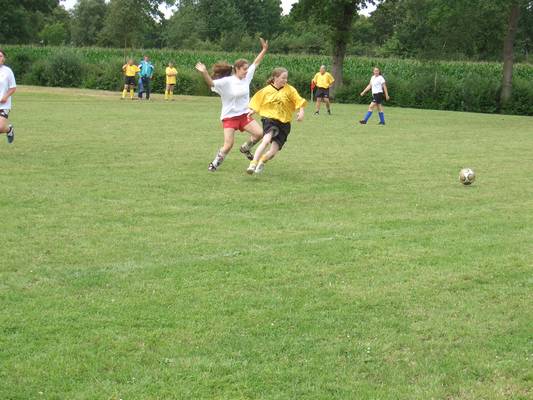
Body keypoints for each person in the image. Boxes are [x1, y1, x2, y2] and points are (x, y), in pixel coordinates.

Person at [195, 37, 268, 172]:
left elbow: (256, 63)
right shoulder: (227, 81)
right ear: (237, 69)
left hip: (244, 116)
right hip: (229, 117)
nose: (247, 71)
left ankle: (245, 148)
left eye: (247, 69)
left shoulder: (246, 78)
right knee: (228, 145)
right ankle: (215, 163)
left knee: (259, 133)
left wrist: (264, 50)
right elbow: (211, 83)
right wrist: (204, 72)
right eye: (244, 69)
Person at [246, 67, 307, 175]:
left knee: (273, 152)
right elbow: (257, 102)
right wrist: (253, 110)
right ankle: (253, 163)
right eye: (283, 78)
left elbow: (299, 101)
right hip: (270, 119)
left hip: (284, 123)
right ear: (275, 77)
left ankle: (262, 160)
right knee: (266, 140)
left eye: (286, 78)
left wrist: (301, 112)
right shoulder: (266, 91)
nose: (285, 80)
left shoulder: (290, 90)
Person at [0, 49, 16, 144]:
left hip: (3, 104)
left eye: (0, 56)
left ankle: (9, 129)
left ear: (4, 59)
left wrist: (6, 97)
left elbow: (13, 88)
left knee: (1, 127)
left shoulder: (7, 71)